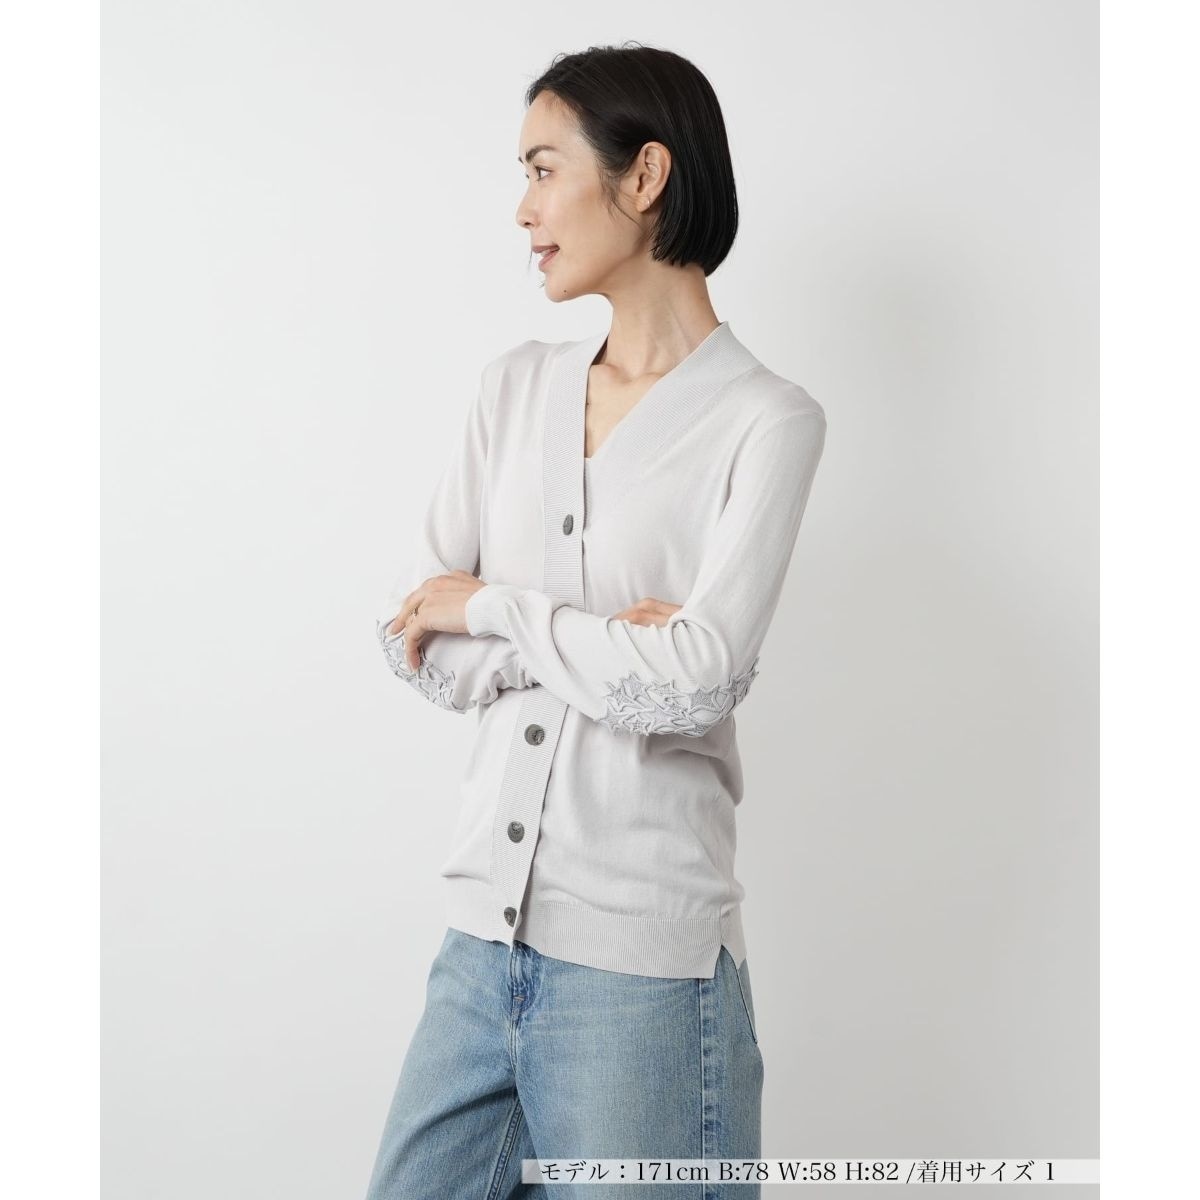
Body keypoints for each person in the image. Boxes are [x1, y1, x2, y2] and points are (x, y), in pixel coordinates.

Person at [363, 42, 828, 1199]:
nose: (522, 209)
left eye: (542, 168)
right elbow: (419, 638)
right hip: (478, 951)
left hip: (643, 976)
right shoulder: (512, 388)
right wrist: (610, 644)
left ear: (645, 175)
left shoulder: (767, 422)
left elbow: (695, 679)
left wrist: (503, 607)